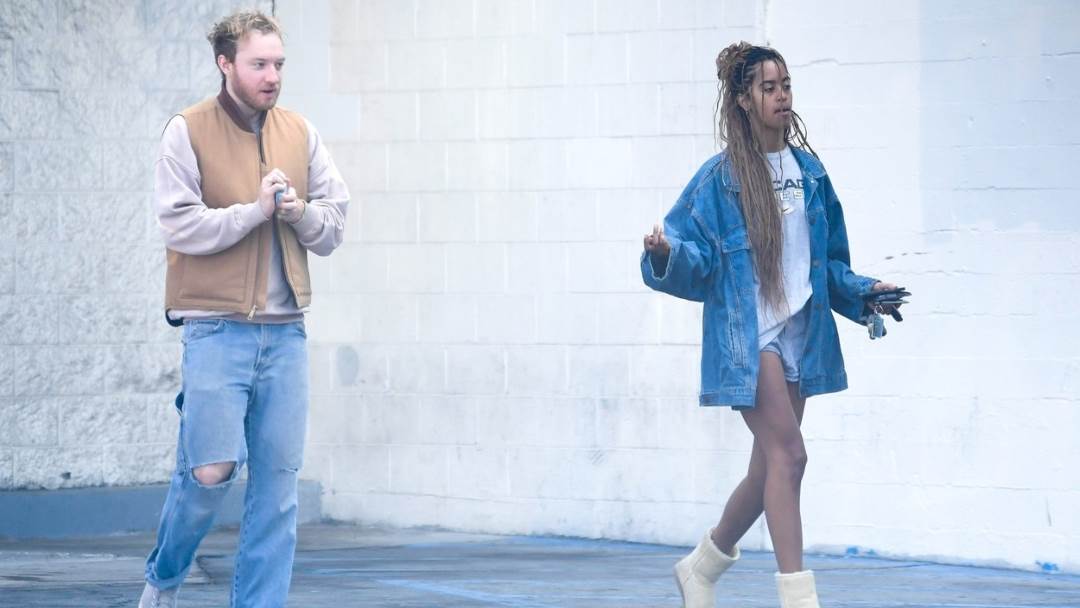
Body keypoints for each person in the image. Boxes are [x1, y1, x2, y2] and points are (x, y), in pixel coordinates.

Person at [641, 42, 900, 608]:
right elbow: (697, 260)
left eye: (785, 85)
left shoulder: (810, 173)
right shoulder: (719, 181)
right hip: (749, 337)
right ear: (743, 99)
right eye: (768, 87)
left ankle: (701, 568)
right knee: (791, 457)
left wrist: (865, 293)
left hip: (801, 333)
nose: (781, 96)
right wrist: (665, 254)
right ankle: (798, 598)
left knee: (769, 472)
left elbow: (828, 262)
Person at [139, 10, 349, 608]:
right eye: (259, 64)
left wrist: (298, 213)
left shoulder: (300, 133)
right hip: (215, 329)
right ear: (225, 63)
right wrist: (254, 212)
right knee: (209, 473)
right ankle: (164, 577)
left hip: (286, 335)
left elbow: (334, 224)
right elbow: (180, 225)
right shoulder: (187, 131)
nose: (272, 75)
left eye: (278, 64)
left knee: (278, 490)